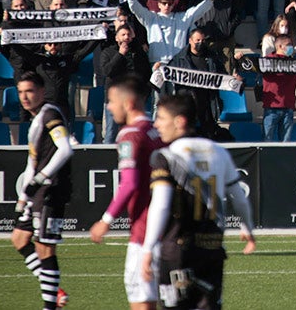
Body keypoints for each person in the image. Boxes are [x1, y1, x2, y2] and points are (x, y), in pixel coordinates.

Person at [141, 93, 256, 309]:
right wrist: (247, 228)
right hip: (211, 249)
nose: (157, 124)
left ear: (180, 121)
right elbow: (238, 197)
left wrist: (148, 247)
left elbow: (162, 205)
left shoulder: (166, 156)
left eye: (162, 118)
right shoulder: (218, 152)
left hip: (176, 250)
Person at [89, 76, 165, 310]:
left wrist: (106, 220)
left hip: (144, 232)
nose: (109, 107)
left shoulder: (129, 135)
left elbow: (129, 183)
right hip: (168, 230)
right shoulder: (158, 131)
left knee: (142, 304)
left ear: (129, 103)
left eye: (112, 101)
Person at [11, 72, 73, 310]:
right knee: (19, 238)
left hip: (51, 191)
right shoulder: (36, 118)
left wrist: (41, 179)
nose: (25, 97)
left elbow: (65, 149)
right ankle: (54, 290)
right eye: (21, 92)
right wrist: (23, 197)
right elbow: (32, 161)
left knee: (45, 248)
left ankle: (50, 304)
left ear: (42, 92)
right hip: (36, 192)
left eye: (30, 91)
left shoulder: (49, 114)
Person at [99, 25, 152, 143]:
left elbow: (146, 73)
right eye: (123, 35)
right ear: (117, 38)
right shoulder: (108, 52)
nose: (126, 37)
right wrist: (120, 55)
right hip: (115, 100)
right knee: (111, 133)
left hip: (134, 100)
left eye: (128, 35)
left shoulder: (138, 52)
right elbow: (107, 71)